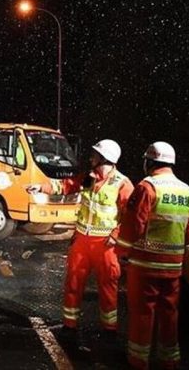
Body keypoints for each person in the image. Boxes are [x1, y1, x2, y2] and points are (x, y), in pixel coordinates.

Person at [115, 141, 189, 370]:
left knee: (142, 311)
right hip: (174, 267)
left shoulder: (147, 187)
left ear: (150, 161)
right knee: (169, 312)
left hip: (145, 265)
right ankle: (169, 359)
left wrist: (121, 252)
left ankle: (138, 359)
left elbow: (134, 225)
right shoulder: (186, 190)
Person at [58, 139, 134, 341]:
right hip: (82, 241)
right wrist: (42, 188)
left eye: (95, 155)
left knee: (108, 286)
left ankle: (109, 330)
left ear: (104, 159)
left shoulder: (123, 184)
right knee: (73, 282)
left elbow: (131, 217)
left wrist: (116, 236)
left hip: (106, 245)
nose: (91, 157)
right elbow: (66, 186)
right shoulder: (88, 178)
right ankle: (69, 325)